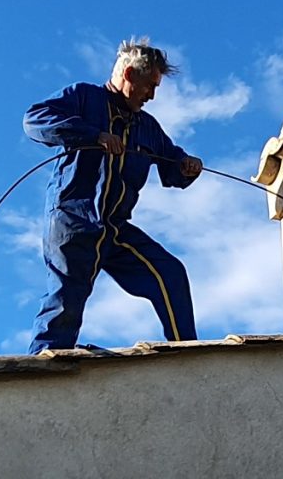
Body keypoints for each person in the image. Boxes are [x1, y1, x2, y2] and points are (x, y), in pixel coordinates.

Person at [23, 38, 203, 354]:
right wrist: (93, 135)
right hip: (74, 220)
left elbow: (172, 162)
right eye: (150, 86)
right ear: (130, 74)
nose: (152, 95)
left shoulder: (148, 128)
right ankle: (45, 363)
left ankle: (187, 353)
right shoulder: (83, 97)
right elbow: (36, 120)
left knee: (169, 273)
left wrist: (187, 166)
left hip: (115, 228)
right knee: (68, 295)